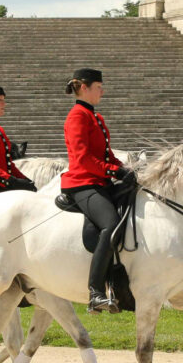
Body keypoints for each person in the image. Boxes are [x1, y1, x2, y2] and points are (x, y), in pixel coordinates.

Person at [60, 68, 136, 314]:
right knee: (111, 224)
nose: (102, 91)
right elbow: (83, 159)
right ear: (83, 87)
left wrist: (125, 168)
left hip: (99, 181)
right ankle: (95, 291)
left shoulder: (96, 117)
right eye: (98, 87)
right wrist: (113, 172)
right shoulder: (77, 117)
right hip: (82, 183)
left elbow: (107, 154)